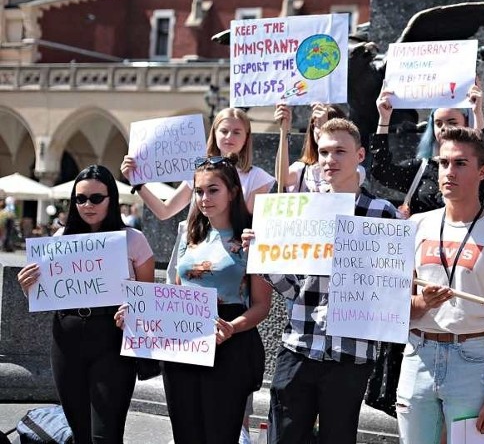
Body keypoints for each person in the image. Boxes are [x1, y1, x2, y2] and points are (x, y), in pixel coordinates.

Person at [247, 118, 400, 444]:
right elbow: (292, 290)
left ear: (360, 155)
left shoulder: (382, 213)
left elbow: (390, 292)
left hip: (351, 354)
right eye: (324, 151)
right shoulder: (302, 210)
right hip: (299, 346)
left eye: (339, 152)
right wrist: (262, 255)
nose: (330, 160)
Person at [397, 126, 484, 442]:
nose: (448, 172)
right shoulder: (416, 225)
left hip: (473, 359)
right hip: (418, 353)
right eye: (443, 163)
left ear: (482, 172)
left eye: (460, 164)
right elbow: (394, 305)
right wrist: (422, 303)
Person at [17, 165, 155, 443]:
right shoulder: (59, 240)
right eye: (80, 199)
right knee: (79, 433)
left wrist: (135, 308)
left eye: (95, 198)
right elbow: (44, 294)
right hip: (66, 337)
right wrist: (27, 286)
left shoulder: (134, 240)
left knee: (106, 434)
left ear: (111, 200)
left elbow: (148, 299)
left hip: (112, 338)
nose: (87, 205)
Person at [154, 154, 271, 444]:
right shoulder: (189, 234)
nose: (204, 198)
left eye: (213, 190)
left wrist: (234, 327)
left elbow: (261, 305)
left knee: (220, 434)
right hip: (183, 345)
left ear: (232, 191)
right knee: (186, 434)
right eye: (199, 191)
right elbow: (177, 292)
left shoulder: (251, 238)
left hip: (229, 344)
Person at [371, 81, 484, 218]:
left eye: (452, 122)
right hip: (423, 238)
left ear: (467, 123)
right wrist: (384, 118)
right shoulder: (422, 167)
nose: (444, 128)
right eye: (438, 123)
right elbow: (381, 171)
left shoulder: (477, 168)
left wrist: (477, 112)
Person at [121, 107, 275, 217]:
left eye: (236, 132)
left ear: (246, 137)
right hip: (193, 249)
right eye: (224, 131)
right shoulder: (199, 172)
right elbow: (165, 211)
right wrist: (138, 183)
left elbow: (246, 222)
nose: (229, 137)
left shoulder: (257, 177)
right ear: (214, 134)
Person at [274, 102, 366, 193]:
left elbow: (338, 181)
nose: (319, 130)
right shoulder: (303, 169)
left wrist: (325, 134)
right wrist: (284, 130)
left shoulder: (354, 168)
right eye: (316, 125)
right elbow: (283, 179)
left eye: (331, 126)